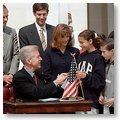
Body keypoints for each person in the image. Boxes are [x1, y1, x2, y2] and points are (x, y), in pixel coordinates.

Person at [76, 29, 105, 114]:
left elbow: (100, 81)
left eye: (82, 42)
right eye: (79, 42)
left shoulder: (98, 57)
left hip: (91, 102)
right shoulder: (80, 56)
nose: (80, 45)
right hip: (78, 100)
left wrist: (86, 76)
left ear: (90, 41)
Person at [3, 5, 19, 86]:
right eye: (3, 17)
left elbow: (16, 54)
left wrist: (11, 74)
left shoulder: (12, 32)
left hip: (10, 80)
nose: (6, 20)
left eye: (7, 17)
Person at [99, 38, 114, 114]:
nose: (102, 54)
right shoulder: (106, 64)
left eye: (104, 52)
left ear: (112, 51)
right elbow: (105, 82)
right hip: (106, 104)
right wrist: (101, 94)